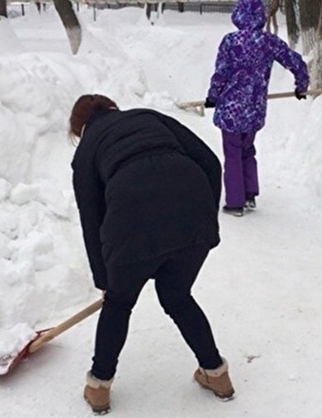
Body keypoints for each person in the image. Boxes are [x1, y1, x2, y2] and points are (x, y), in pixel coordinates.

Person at [69, 94, 234, 414]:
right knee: (177, 296)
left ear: (79, 129)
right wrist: (204, 215)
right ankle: (217, 375)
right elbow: (210, 163)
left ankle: (99, 387)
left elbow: (91, 218)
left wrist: (105, 278)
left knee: (118, 304)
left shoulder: (87, 151)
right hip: (193, 215)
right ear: (112, 107)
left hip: (131, 222)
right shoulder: (148, 117)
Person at [205, 0, 310, 217]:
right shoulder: (269, 42)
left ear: (238, 15)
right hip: (254, 108)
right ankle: (250, 193)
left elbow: (221, 73)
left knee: (232, 153)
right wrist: (301, 86)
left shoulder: (231, 42)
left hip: (231, 110)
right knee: (247, 150)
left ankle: (235, 203)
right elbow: (296, 62)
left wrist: (213, 97)